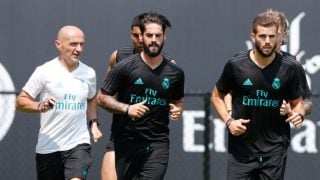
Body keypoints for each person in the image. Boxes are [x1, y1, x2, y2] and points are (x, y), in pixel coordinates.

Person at [211, 11, 306, 180]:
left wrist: (298, 114)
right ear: (253, 37)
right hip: (241, 152)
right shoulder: (236, 64)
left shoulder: (290, 67)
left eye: (271, 36)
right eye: (262, 36)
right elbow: (217, 96)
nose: (267, 41)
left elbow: (299, 103)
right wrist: (229, 121)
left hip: (274, 152)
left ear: (278, 37)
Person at [97, 12, 184, 180]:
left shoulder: (175, 71)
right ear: (141, 37)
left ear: (164, 37)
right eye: (149, 35)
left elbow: (178, 101)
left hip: (157, 142)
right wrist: (127, 108)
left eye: (158, 35)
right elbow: (102, 97)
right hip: (125, 139)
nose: (153, 39)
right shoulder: (123, 64)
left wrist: (177, 109)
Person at [15, 25, 102, 180]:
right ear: (58, 45)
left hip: (78, 144)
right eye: (73, 44)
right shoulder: (44, 71)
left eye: (82, 44)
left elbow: (91, 98)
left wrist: (94, 123)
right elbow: (20, 101)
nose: (79, 49)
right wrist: (38, 106)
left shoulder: (89, 73)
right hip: (48, 147)